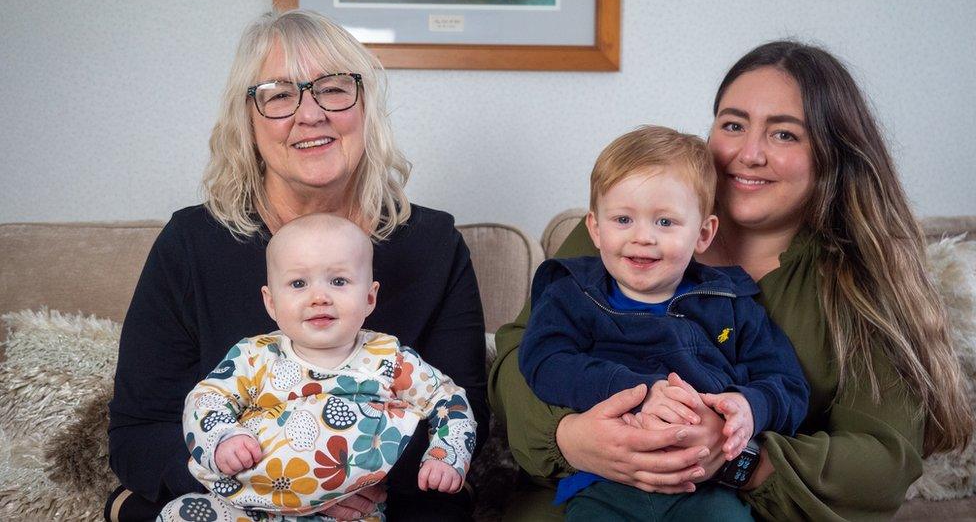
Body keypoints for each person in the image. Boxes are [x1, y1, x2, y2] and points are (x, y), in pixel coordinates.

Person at [489, 41, 974, 521]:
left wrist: (733, 456)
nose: (750, 153)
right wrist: (574, 437)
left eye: (784, 135)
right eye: (733, 125)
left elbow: (884, 461)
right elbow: (519, 359)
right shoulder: (627, 229)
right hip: (589, 495)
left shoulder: (861, 281)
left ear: (831, 152)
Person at [108, 9, 488, 522]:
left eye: (333, 88)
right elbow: (140, 430)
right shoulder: (191, 245)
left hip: (387, 501)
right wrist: (274, 489)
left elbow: (462, 414)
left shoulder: (434, 245)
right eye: (279, 94)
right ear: (248, 120)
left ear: (365, 106)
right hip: (228, 498)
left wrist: (343, 481)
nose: (310, 114)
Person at [518, 125, 808, 520]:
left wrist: (749, 406)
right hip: (605, 482)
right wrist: (639, 392)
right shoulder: (573, 295)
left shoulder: (732, 303)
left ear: (703, 233)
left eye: (665, 223)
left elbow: (787, 384)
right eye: (623, 219)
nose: (643, 237)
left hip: (705, 488)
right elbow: (543, 361)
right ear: (595, 229)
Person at [158, 214, 476, 521]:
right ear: (271, 302)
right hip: (251, 505)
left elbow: (448, 399)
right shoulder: (254, 356)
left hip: (349, 514)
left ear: (369, 297)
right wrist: (223, 437)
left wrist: (446, 455)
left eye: (338, 280)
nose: (319, 297)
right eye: (298, 283)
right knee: (180, 513)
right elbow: (207, 399)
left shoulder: (388, 359)